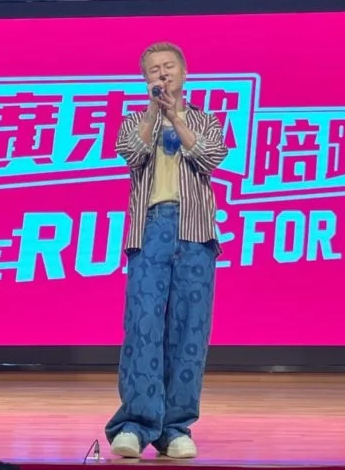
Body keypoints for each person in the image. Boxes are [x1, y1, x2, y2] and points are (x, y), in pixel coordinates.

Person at [105, 41, 228, 460]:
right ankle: (135, 425)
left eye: (169, 66)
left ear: (184, 72)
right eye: (154, 69)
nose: (162, 73)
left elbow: (210, 158)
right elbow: (131, 154)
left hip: (195, 232)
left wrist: (176, 116)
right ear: (145, 79)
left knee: (189, 329)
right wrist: (155, 113)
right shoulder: (134, 121)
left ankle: (175, 428)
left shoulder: (206, 119)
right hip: (151, 229)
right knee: (143, 326)